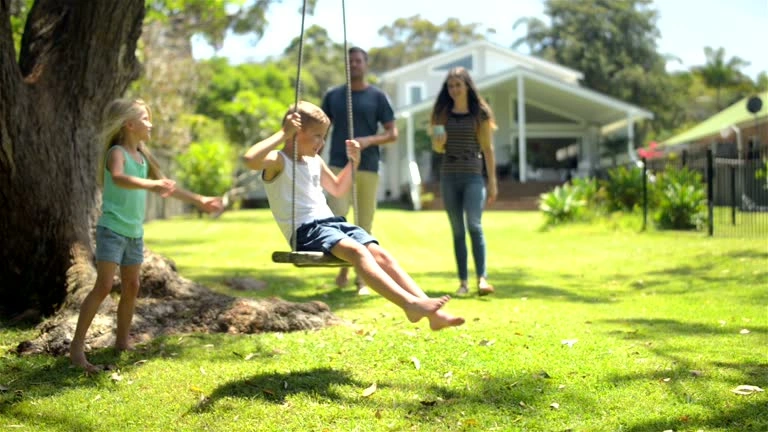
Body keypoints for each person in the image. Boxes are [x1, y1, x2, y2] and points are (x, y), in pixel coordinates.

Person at [243, 101, 464, 331]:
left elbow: (338, 188)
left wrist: (352, 163)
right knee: (358, 252)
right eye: (317, 136)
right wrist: (281, 133)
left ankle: (433, 313)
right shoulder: (279, 161)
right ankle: (410, 304)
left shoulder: (314, 161)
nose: (322, 143)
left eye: (324, 136)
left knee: (381, 254)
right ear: (295, 132)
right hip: (306, 230)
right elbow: (250, 160)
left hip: (333, 224)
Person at [70, 98, 223, 372]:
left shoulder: (143, 157)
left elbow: (166, 187)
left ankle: (121, 342)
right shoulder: (118, 153)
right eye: (145, 118)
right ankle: (77, 348)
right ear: (129, 124)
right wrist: (152, 183)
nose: (150, 123)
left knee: (132, 286)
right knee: (104, 286)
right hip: (112, 229)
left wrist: (201, 200)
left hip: (134, 233)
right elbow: (117, 177)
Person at [321, 46, 398, 295]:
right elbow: (320, 130)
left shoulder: (378, 97)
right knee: (338, 216)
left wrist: (368, 141)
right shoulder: (333, 96)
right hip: (337, 164)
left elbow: (392, 133)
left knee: (364, 224)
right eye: (350, 61)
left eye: (358, 61)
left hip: (367, 166)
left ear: (366, 64)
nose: (354, 64)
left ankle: (361, 279)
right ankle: (344, 266)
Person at [429, 67, 498, 297]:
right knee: (457, 230)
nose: (454, 89)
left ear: (467, 86)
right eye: (451, 86)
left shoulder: (481, 114)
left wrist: (493, 181)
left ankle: (482, 279)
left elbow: (487, 148)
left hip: (473, 176)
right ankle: (463, 283)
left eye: (458, 85)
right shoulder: (442, 114)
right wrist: (440, 142)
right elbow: (438, 148)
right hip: (449, 175)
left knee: (474, 225)